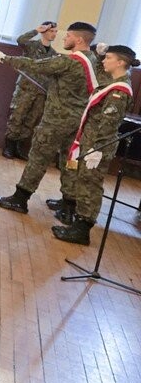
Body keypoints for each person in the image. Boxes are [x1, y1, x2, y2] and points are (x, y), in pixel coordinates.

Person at [0, 22, 100, 214]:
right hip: (77, 121)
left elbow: (35, 65)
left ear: (79, 39)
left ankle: (20, 198)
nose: (64, 38)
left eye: (68, 35)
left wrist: (4, 58)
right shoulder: (93, 60)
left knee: (38, 158)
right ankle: (68, 203)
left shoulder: (70, 61)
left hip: (56, 120)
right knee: (68, 161)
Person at [50, 45, 136, 245]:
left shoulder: (119, 91)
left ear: (120, 62)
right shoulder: (113, 82)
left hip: (97, 148)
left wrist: (95, 150)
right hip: (89, 145)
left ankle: (82, 230)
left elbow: (108, 124)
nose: (104, 61)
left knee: (90, 185)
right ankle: (78, 225)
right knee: (84, 183)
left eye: (108, 58)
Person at [1, 21, 59, 158]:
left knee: (31, 121)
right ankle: (9, 147)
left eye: (56, 32)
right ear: (44, 31)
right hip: (25, 89)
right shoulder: (33, 46)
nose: (54, 34)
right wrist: (36, 30)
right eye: (52, 31)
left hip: (41, 92)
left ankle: (19, 148)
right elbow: (21, 40)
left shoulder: (54, 54)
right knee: (17, 117)